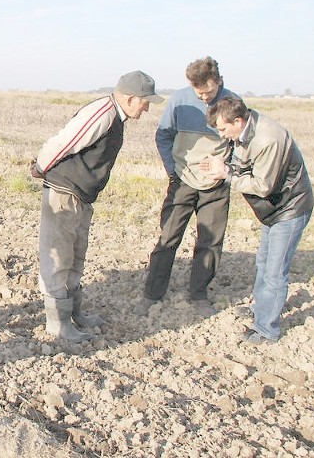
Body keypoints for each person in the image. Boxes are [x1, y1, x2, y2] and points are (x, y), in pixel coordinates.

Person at [31, 71, 164, 341]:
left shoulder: (117, 116)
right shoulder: (103, 112)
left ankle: (74, 313)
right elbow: (64, 141)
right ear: (129, 98)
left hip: (82, 195)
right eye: (145, 101)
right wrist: (41, 166)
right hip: (64, 191)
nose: (148, 107)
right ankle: (57, 324)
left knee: (76, 254)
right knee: (58, 258)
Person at [201, 97, 314, 344]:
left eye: (222, 129)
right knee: (263, 261)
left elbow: (263, 186)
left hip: (290, 208)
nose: (221, 135)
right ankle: (261, 310)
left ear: (238, 121)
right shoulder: (245, 132)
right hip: (273, 210)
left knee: (275, 271)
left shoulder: (268, 139)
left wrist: (226, 174)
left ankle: (266, 330)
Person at [139, 56, 239, 316]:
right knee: (168, 237)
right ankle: (153, 292)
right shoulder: (179, 101)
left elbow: (241, 141)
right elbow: (163, 135)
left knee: (210, 241)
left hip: (216, 184)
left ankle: (198, 293)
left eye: (208, 92)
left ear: (217, 82)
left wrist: (227, 168)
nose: (204, 97)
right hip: (182, 180)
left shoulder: (233, 103)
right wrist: (173, 170)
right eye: (199, 92)